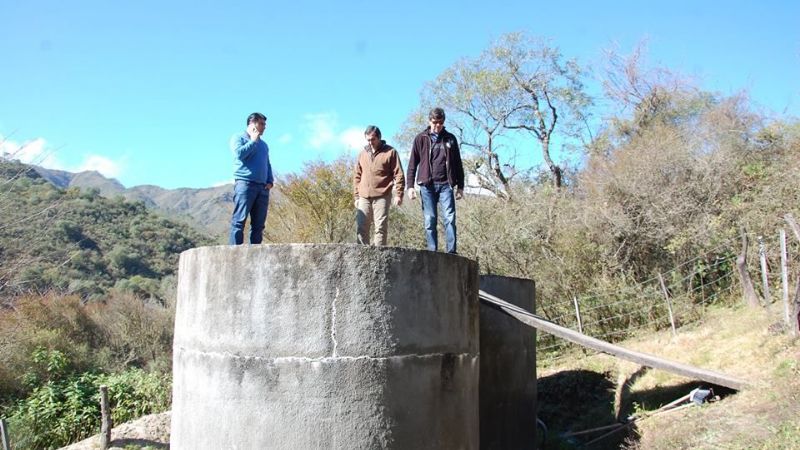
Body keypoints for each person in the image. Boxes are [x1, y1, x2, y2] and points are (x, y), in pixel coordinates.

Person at [406, 107, 464, 254]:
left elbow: (457, 163)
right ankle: (432, 251)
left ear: (443, 122)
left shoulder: (450, 139)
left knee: (450, 218)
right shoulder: (421, 138)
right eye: (434, 122)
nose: (437, 125)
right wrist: (410, 186)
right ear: (429, 120)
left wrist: (460, 186)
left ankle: (451, 251)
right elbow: (413, 163)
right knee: (430, 219)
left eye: (440, 122)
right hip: (427, 186)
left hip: (446, 185)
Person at [353, 125, 405, 246]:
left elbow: (399, 174)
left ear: (379, 138)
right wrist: (356, 196)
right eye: (368, 140)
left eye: (373, 139)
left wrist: (399, 194)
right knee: (361, 227)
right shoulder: (362, 154)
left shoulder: (391, 152)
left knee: (380, 228)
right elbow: (357, 176)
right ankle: (361, 257)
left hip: (382, 195)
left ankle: (378, 259)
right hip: (364, 196)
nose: (370, 142)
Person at [229, 112, 273, 245]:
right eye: (261, 124)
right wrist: (253, 140)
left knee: (259, 225)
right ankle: (234, 253)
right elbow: (239, 154)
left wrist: (270, 180)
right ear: (252, 124)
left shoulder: (264, 145)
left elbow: (267, 163)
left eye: (265, 124)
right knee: (239, 221)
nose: (264, 127)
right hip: (245, 184)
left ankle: (255, 255)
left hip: (262, 187)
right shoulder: (238, 138)